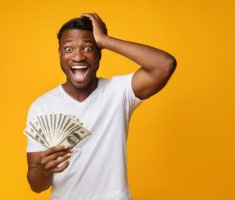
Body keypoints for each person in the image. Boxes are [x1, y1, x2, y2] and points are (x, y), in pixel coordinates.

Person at [25, 13, 176, 200]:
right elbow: (36, 185)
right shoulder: (42, 107)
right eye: (69, 49)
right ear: (60, 54)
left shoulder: (118, 92)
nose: (78, 56)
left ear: (99, 54)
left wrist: (106, 40)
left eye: (88, 48)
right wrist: (44, 170)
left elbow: (164, 65)